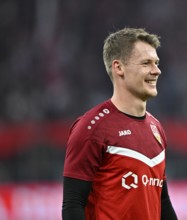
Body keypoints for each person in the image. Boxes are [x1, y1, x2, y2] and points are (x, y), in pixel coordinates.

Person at [62, 27, 178, 220]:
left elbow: (162, 201)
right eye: (146, 63)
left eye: (156, 63)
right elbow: (73, 205)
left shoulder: (156, 128)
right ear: (119, 67)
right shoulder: (92, 127)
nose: (157, 70)